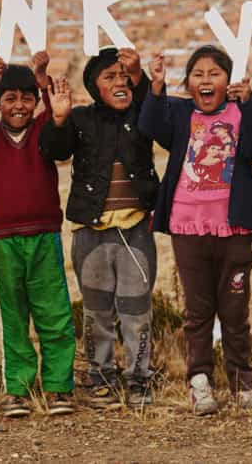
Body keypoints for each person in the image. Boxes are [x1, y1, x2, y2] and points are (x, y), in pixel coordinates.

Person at [138, 45, 252, 416]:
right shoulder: (180, 112)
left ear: (229, 81)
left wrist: (247, 107)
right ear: (189, 83)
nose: (206, 80)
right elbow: (151, 127)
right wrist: (157, 86)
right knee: (197, 311)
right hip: (188, 225)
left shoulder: (241, 112)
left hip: (235, 228)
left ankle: (242, 382)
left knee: (235, 309)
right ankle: (200, 382)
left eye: (215, 73)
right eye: (198, 74)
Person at [39, 47, 159, 408]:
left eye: (124, 76)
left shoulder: (142, 116)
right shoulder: (81, 119)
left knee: (136, 311)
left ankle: (139, 380)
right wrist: (58, 120)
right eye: (110, 77)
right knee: (97, 313)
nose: (120, 82)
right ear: (94, 86)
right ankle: (101, 377)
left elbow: (156, 108)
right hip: (90, 231)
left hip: (135, 229)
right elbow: (54, 151)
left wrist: (142, 76)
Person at [0, 52, 76, 418]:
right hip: (6, 240)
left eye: (26, 98)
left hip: (45, 236)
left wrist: (42, 80)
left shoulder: (43, 128)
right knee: (14, 315)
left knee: (54, 312)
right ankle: (20, 390)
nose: (19, 105)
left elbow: (55, 119)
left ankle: (58, 388)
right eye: (9, 98)